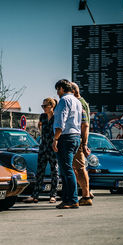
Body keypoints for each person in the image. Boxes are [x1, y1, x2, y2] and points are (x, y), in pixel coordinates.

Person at [52, 79, 82, 209]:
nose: (57, 93)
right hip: (75, 136)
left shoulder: (64, 101)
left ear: (61, 88)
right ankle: (67, 198)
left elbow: (60, 122)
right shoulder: (77, 101)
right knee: (66, 169)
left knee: (67, 169)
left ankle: (72, 199)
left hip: (65, 137)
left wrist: (55, 139)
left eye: (57, 90)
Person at [24, 98, 59, 204]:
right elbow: (40, 125)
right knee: (39, 172)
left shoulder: (57, 117)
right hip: (43, 146)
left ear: (51, 106)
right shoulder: (42, 116)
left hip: (53, 147)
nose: (43, 108)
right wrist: (42, 135)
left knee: (54, 171)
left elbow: (59, 129)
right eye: (42, 106)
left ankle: (53, 195)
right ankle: (35, 196)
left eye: (45, 106)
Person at [70, 82, 93, 206]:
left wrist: (84, 143)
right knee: (77, 168)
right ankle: (87, 191)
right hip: (78, 139)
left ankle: (86, 195)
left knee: (79, 167)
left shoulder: (80, 104)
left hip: (77, 139)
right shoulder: (81, 102)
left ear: (73, 91)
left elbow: (85, 125)